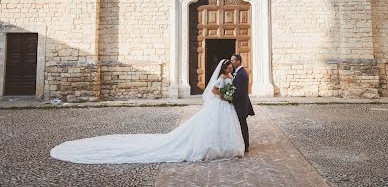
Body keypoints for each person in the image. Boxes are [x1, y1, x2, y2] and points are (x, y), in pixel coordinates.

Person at [50, 59, 244, 164]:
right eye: (227, 66)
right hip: (219, 104)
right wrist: (224, 96)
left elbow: (226, 89)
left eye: (230, 66)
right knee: (210, 126)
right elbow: (214, 90)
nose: (229, 68)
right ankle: (212, 147)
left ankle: (224, 147)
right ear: (223, 67)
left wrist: (228, 95)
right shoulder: (220, 77)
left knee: (221, 127)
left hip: (224, 107)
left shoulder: (231, 75)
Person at [231, 54, 255, 152]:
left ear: (238, 61)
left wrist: (230, 99)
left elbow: (239, 92)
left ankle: (245, 145)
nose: (231, 62)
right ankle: (243, 144)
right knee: (241, 124)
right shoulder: (239, 72)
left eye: (233, 60)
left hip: (240, 104)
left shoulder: (241, 74)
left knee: (242, 125)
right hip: (240, 103)